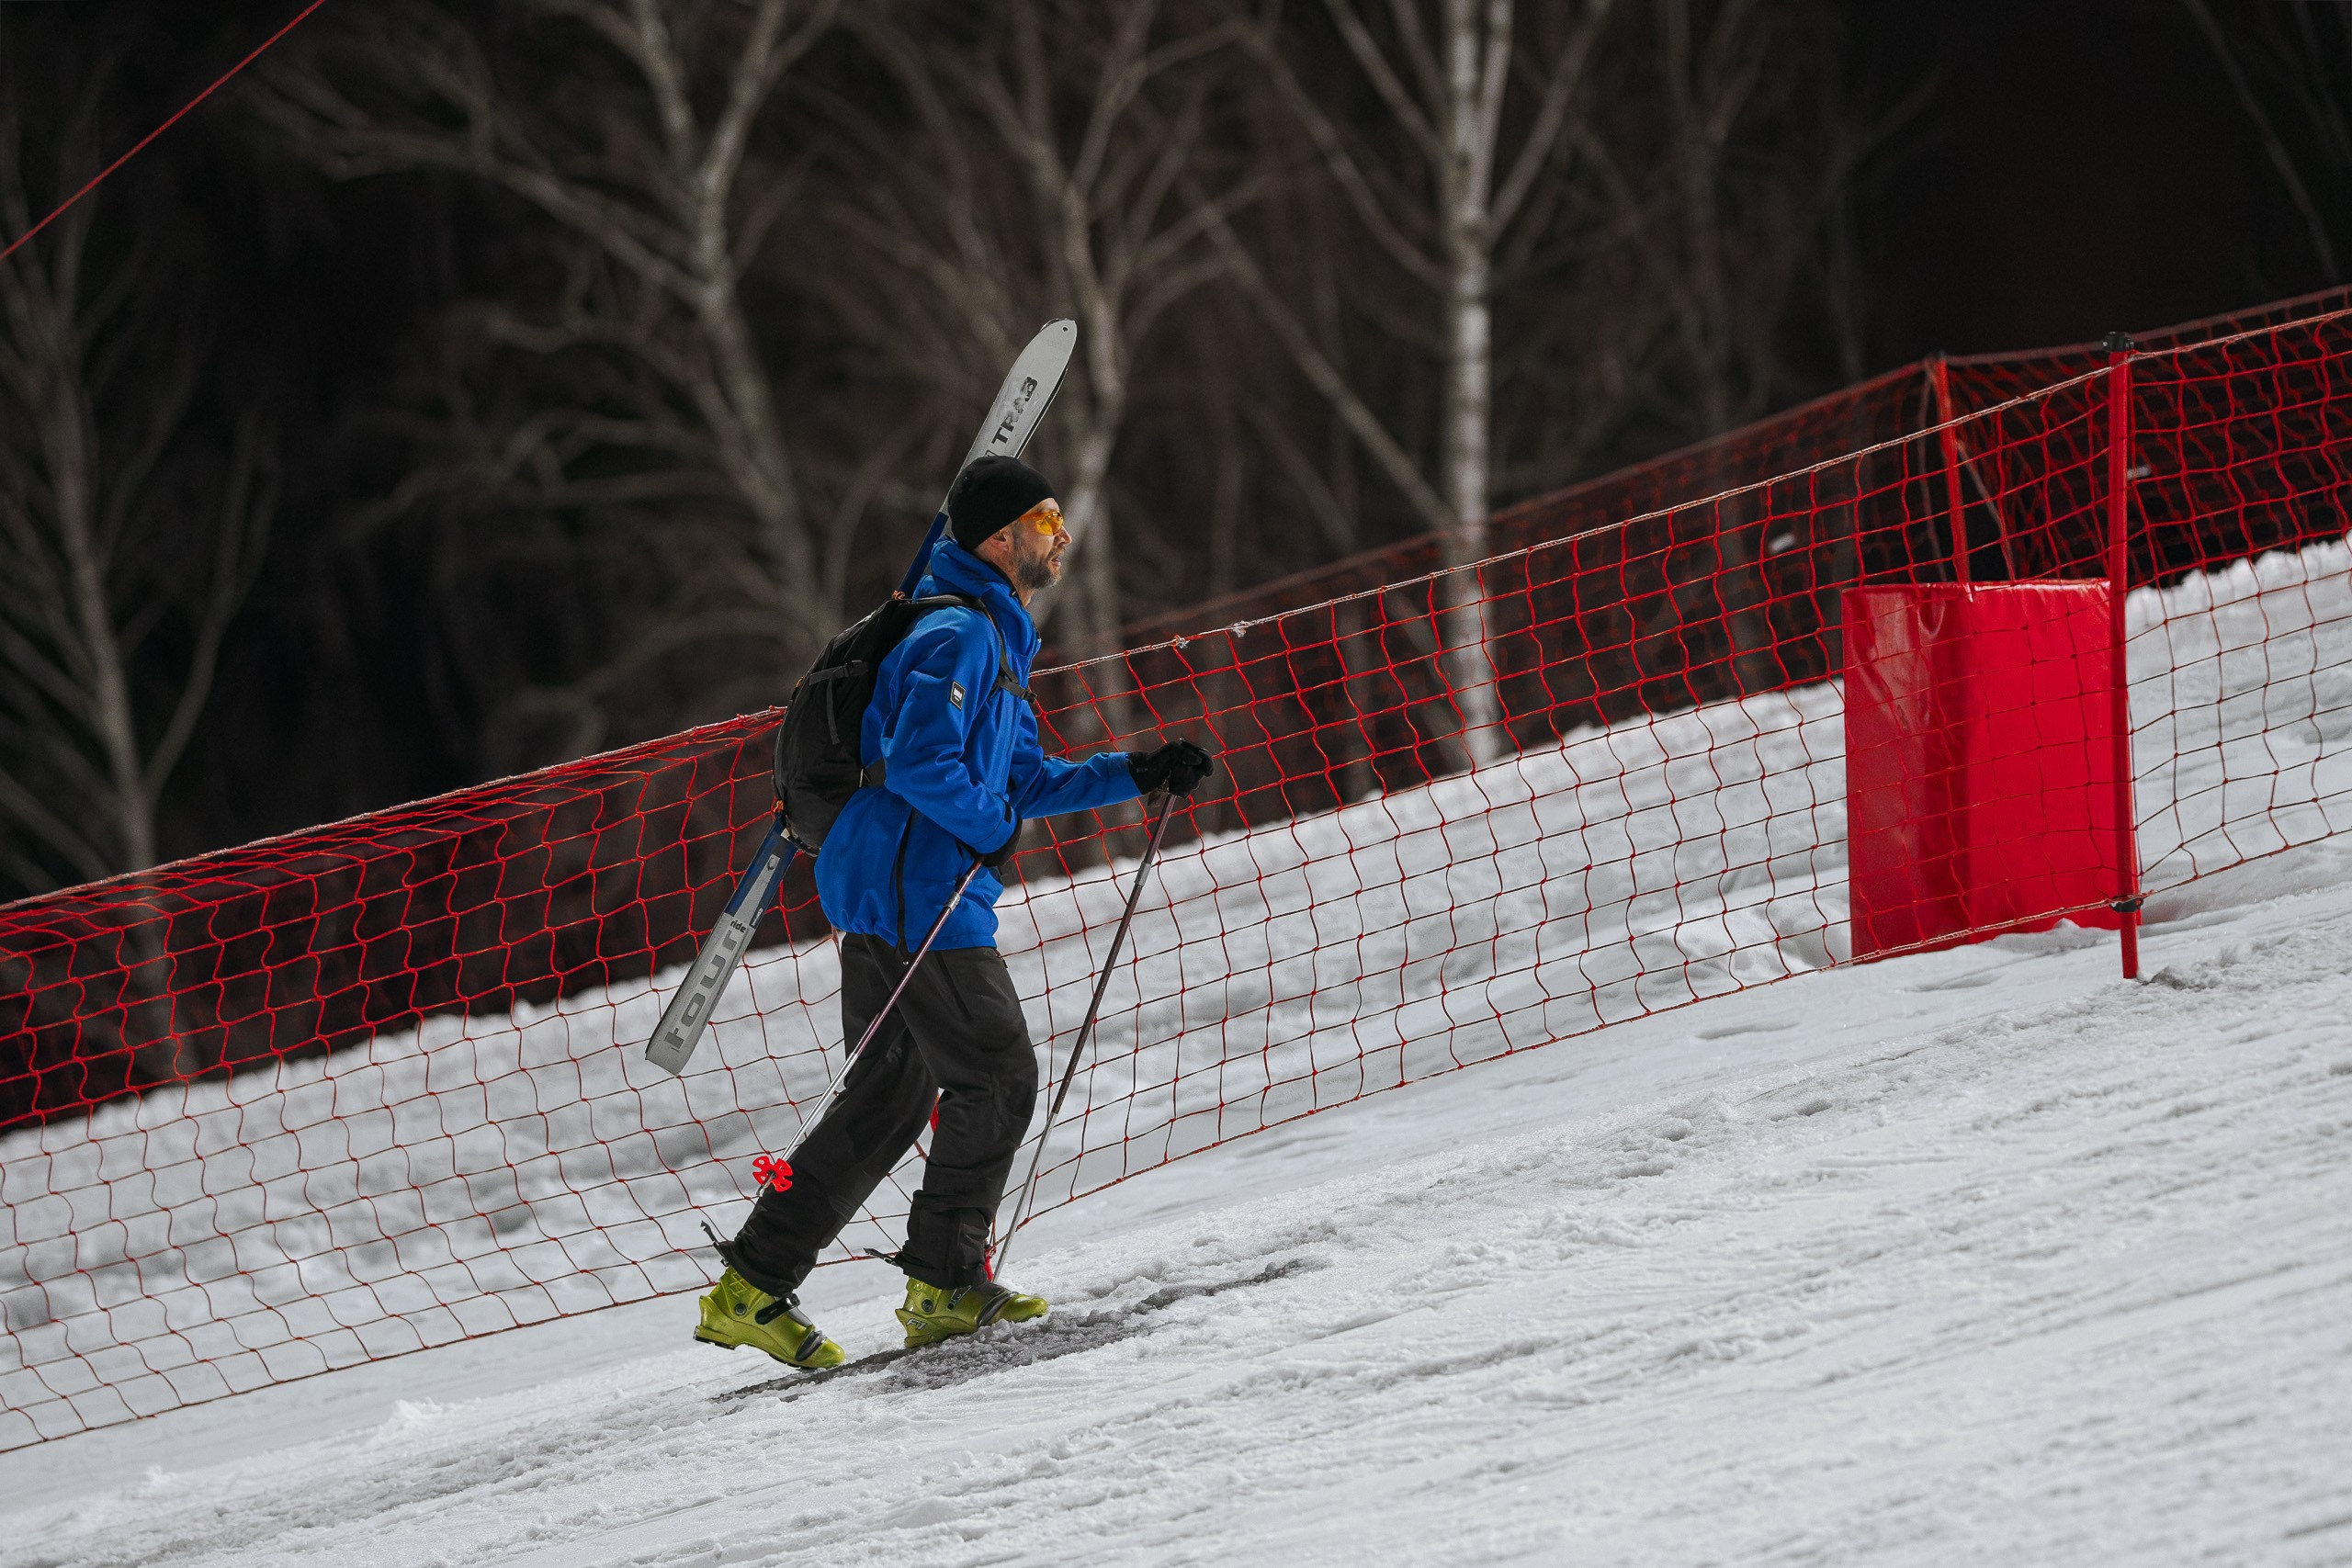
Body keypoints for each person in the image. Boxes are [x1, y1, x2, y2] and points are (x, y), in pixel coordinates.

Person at [693, 455, 1215, 1368]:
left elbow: (1018, 779)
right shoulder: (960, 635)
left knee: (892, 1097)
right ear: (999, 538)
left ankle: (752, 1285)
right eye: (1045, 519)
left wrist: (1134, 772)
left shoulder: (994, 637)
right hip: (917, 891)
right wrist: (986, 830)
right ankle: (942, 1281)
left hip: (897, 881)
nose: (1060, 535)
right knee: (998, 1075)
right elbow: (930, 764)